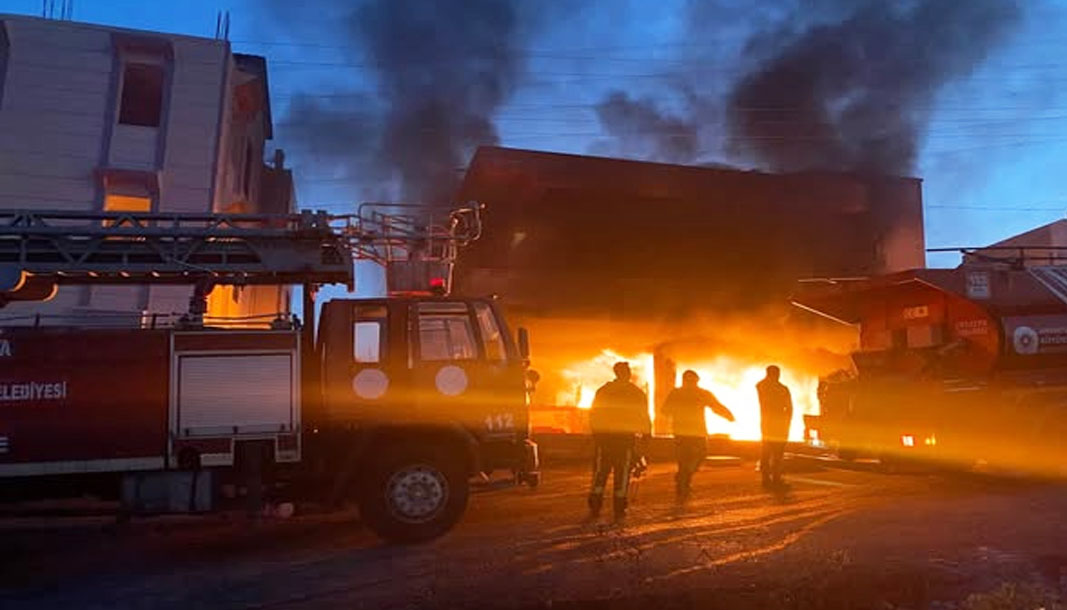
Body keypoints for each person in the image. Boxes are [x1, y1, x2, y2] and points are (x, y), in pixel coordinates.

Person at [588, 361, 651, 521]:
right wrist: (646, 435)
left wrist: (596, 433)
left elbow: (594, 413)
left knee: (601, 471)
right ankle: (619, 505)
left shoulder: (604, 391)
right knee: (622, 472)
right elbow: (643, 415)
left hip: (605, 438)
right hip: (624, 438)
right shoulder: (635, 393)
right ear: (627, 373)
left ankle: (595, 504)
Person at [662, 370, 735, 504]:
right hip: (695, 432)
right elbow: (716, 406)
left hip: (682, 432)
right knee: (697, 456)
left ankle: (682, 479)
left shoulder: (679, 393)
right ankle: (683, 481)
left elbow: (665, 410)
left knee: (684, 459)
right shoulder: (698, 393)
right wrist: (728, 416)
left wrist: (728, 415)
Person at [756, 365, 793, 489]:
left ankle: (765, 478)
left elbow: (760, 384)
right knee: (778, 452)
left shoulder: (762, 386)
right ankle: (776, 478)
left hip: (766, 422)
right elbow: (789, 408)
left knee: (766, 451)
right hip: (780, 423)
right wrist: (788, 421)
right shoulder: (782, 389)